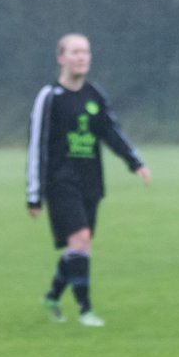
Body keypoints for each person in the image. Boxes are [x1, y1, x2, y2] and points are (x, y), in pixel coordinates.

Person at [26, 33, 151, 327]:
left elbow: (111, 132)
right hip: (59, 181)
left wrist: (136, 163)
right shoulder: (49, 97)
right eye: (75, 52)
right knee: (80, 239)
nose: (82, 57)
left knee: (81, 246)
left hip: (90, 181)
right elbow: (37, 146)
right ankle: (85, 311)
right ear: (62, 58)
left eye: (86, 52)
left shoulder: (95, 95)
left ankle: (52, 296)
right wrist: (34, 194)